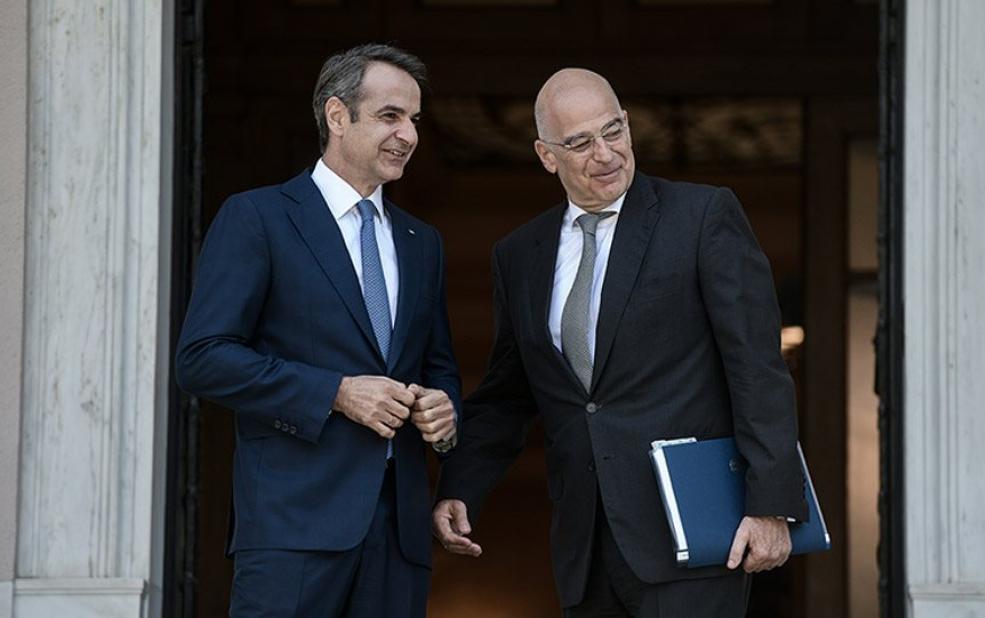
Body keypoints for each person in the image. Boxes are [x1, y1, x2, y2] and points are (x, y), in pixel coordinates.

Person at [432, 68, 807, 618]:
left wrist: (772, 504)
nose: (605, 154)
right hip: (586, 547)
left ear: (628, 124)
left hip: (696, 533)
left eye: (613, 131)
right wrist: (459, 487)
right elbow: (509, 393)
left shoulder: (701, 217)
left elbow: (756, 366)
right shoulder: (519, 255)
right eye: (580, 142)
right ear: (546, 155)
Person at [176, 43, 459, 617]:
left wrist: (444, 410)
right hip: (292, 529)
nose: (408, 134)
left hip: (398, 537)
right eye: (390, 116)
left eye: (414, 119)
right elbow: (203, 357)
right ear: (337, 115)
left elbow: (438, 367)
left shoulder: (421, 242)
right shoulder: (258, 217)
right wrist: (336, 392)